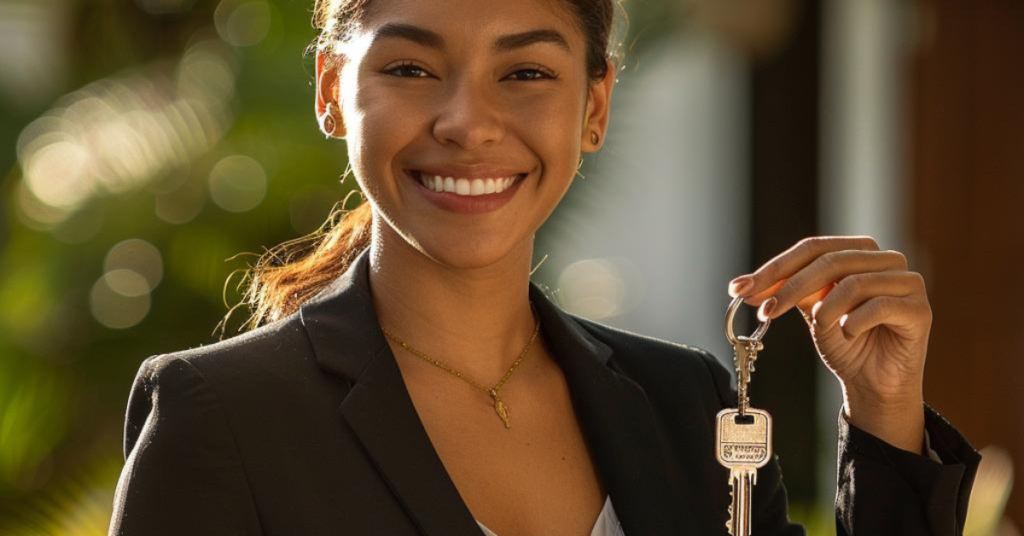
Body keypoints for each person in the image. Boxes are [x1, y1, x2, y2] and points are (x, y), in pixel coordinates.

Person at [107, 0, 981, 534]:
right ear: (333, 92)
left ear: (594, 107)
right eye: (411, 67)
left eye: (524, 71)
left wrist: (884, 408)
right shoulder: (221, 416)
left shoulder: (689, 408)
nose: (468, 122)